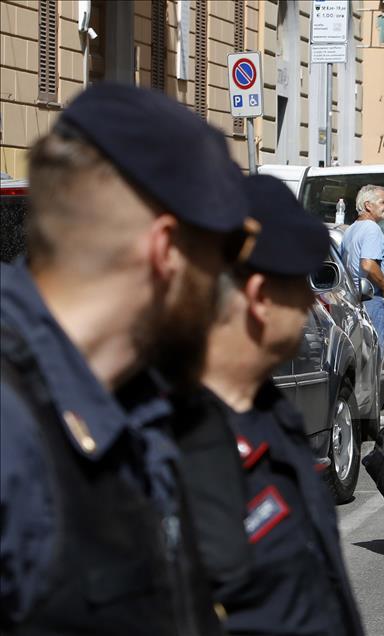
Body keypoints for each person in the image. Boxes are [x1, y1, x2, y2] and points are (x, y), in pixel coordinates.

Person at [0, 83, 256, 632]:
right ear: (166, 251)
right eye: (223, 256)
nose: (230, 289)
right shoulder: (11, 427)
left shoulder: (139, 402)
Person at [179, 174, 364, 635]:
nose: (308, 302)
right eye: (298, 284)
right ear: (261, 298)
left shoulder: (270, 414)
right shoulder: (178, 440)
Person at [341, 184, 384, 359]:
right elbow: (368, 264)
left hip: (356, 300)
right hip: (373, 300)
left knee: (362, 358)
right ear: (368, 205)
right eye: (383, 202)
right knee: (373, 357)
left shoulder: (350, 230)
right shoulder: (372, 228)